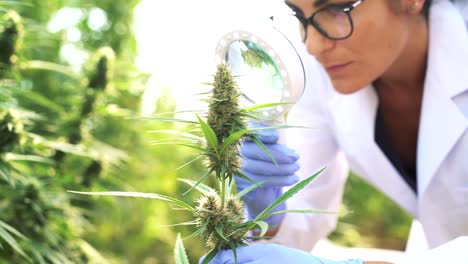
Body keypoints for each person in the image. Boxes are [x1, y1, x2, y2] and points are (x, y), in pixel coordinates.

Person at [204, 0, 468, 263]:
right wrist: (271, 215)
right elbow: (306, 211)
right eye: (299, 15)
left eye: (336, 9)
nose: (313, 46)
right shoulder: (318, 75)